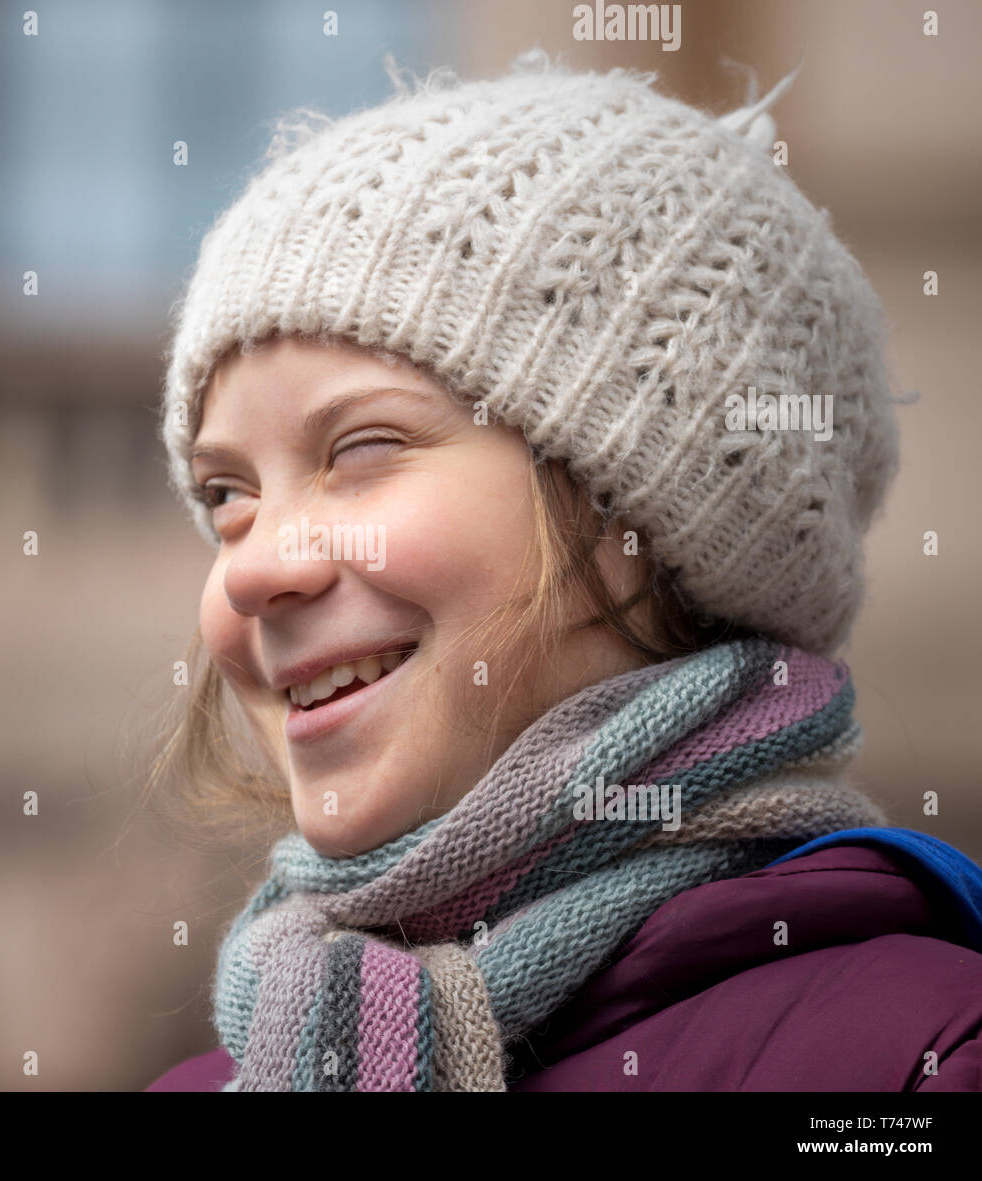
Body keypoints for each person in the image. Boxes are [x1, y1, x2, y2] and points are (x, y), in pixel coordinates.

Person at [144, 50, 982, 1091]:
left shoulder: (917, 1058)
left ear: (648, 516)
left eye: (360, 448)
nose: (256, 567)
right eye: (227, 495)